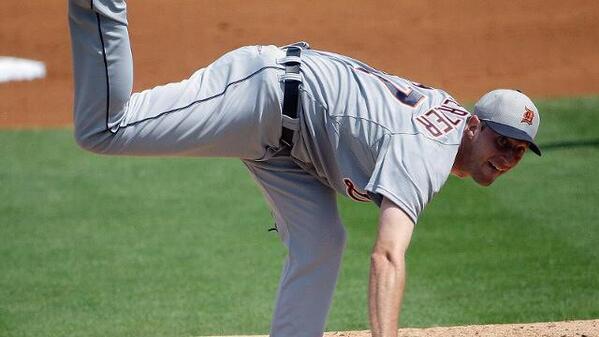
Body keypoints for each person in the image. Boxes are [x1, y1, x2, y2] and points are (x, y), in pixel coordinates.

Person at [68, 1, 541, 336]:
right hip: (264, 93)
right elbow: (387, 257)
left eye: (519, 151)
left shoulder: (448, 124)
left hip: (291, 149)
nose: (507, 156)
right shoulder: (427, 152)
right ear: (474, 126)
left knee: (321, 242)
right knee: (106, 129)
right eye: (502, 141)